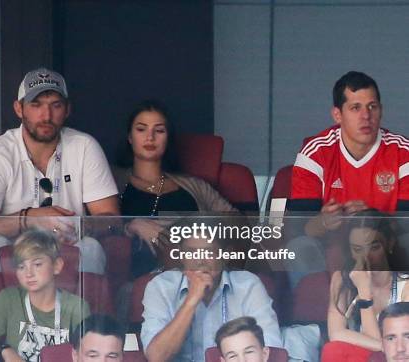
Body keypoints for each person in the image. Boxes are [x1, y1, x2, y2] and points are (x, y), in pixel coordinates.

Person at [0, 67, 119, 278]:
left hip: (64, 246)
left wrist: (79, 226)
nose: (46, 116)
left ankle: (81, 312)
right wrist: (29, 219)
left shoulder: (84, 146)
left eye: (55, 105)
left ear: (67, 109)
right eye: (36, 105)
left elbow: (112, 218)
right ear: (19, 109)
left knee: (90, 247)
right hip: (13, 250)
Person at [286, 71, 409, 287]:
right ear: (337, 115)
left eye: (373, 106)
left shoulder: (402, 151)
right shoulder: (315, 151)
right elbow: (298, 228)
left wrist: (370, 219)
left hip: (383, 246)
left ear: (381, 111)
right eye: (355, 108)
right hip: (329, 246)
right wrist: (324, 222)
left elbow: (406, 226)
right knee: (299, 248)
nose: (366, 116)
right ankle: (318, 315)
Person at [114, 100, 237, 277]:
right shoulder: (113, 180)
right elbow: (97, 224)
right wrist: (131, 226)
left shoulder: (194, 185)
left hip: (197, 270)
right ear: (130, 137)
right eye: (141, 129)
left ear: (168, 138)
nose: (150, 137)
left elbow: (235, 223)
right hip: (141, 278)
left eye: (159, 130)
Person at [140, 218, 282, 362]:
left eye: (208, 252)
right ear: (181, 255)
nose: (199, 261)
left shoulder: (247, 285)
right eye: (191, 252)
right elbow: (156, 357)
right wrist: (191, 301)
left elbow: (271, 349)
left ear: (226, 255)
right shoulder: (161, 286)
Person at [0, 228, 90, 362]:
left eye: (37, 264)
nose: (29, 273)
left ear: (57, 265)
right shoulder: (10, 299)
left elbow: (88, 354)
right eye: (21, 267)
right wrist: (3, 351)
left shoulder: (76, 306)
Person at [322, 210, 409, 362]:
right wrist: (384, 344)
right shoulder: (341, 279)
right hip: (364, 357)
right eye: (357, 249)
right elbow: (335, 333)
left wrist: (364, 291)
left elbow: (385, 354)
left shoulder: (406, 284)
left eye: (374, 248)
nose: (366, 257)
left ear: (390, 243)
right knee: (332, 350)